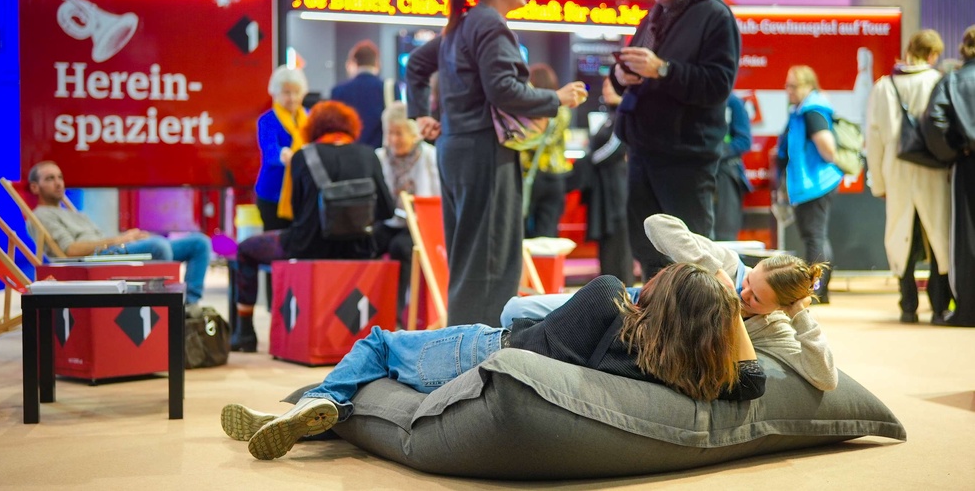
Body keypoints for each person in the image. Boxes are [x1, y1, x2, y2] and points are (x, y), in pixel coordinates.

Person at [221, 266, 765, 460]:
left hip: (484, 352)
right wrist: (727, 309)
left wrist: (711, 286)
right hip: (493, 367)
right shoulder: (686, 369)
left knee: (381, 345)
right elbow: (754, 378)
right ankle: (305, 412)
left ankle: (316, 403)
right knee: (375, 372)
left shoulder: (606, 298)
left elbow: (542, 334)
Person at [405, 0, 588, 326]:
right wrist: (557, 97)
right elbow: (503, 89)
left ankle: (463, 354)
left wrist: (422, 115)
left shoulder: (463, 24)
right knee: (489, 262)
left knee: (470, 259)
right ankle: (477, 360)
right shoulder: (488, 24)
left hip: (458, 149)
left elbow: (418, 66)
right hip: (484, 151)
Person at [502, 213, 837, 392]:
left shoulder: (775, 327)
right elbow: (656, 224)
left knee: (529, 328)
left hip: (647, 342)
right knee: (514, 310)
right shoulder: (731, 265)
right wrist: (714, 272)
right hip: (632, 303)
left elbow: (825, 378)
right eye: (748, 282)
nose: (743, 294)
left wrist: (800, 316)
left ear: (779, 308)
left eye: (756, 298)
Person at [609, 0, 740, 282]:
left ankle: (697, 331)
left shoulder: (715, 15)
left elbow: (718, 85)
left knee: (691, 254)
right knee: (647, 249)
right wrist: (622, 72)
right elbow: (629, 68)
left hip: (685, 156)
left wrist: (663, 70)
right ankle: (655, 326)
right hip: (643, 150)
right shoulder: (655, 15)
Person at [231, 101, 395, 351]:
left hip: (307, 246)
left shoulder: (302, 157)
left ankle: (244, 333)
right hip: (359, 248)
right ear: (351, 126)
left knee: (245, 249)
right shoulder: (368, 155)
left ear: (313, 128)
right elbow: (387, 209)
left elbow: (298, 212)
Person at [28, 161, 212, 305]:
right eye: (50, 178)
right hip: (94, 258)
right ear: (35, 187)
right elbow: (70, 250)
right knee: (159, 246)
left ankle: (188, 304)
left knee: (199, 243)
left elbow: (102, 238)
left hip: (111, 250)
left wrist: (130, 239)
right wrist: (120, 239)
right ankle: (165, 307)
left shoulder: (72, 213)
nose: (58, 183)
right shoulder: (41, 216)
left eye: (59, 177)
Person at [865, 29, 952, 324]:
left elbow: (873, 138)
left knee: (902, 236)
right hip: (933, 169)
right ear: (932, 54)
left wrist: (877, 181)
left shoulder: (884, 86)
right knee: (938, 235)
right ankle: (940, 306)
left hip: (896, 169)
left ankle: (907, 306)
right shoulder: (938, 80)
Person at [776, 66, 843, 304]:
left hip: (816, 184)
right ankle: (819, 290)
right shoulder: (801, 110)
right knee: (814, 236)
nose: (788, 90)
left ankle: (818, 291)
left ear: (808, 86)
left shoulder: (812, 111)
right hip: (808, 185)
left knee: (814, 236)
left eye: (793, 86)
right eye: (787, 85)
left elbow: (828, 148)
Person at [924, 24, 975, 327]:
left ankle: (968, 310)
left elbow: (935, 121)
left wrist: (954, 151)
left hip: (968, 164)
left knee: (966, 236)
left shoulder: (953, 80)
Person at [373, 101, 440, 320]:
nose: (393, 139)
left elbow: (437, 197)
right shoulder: (379, 157)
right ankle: (370, 311)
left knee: (400, 248)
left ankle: (397, 316)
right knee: (368, 242)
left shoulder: (431, 156)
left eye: (399, 133)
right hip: (389, 221)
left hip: (420, 226)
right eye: (390, 133)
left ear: (414, 134)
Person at [572, 78, 633, 285]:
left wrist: (589, 160)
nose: (606, 90)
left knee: (618, 245)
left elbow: (616, 148)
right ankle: (608, 292)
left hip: (617, 190)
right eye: (605, 86)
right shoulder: (610, 116)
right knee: (607, 244)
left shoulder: (625, 116)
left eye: (611, 86)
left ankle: (622, 297)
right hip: (603, 191)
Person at [522, 63, 573, 238]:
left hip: (531, 175)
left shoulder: (529, 113)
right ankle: (546, 266)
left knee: (522, 231)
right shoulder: (563, 111)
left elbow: (529, 142)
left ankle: (527, 266)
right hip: (556, 177)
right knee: (548, 232)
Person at [255, 66, 309, 229]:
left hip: (303, 193)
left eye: (296, 92)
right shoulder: (267, 120)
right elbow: (270, 150)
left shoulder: (310, 117)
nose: (292, 98)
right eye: (286, 93)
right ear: (276, 93)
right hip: (272, 195)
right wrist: (285, 154)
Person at [332, 40, 393, 149]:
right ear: (377, 62)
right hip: (378, 155)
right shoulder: (389, 88)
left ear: (354, 62)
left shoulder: (338, 91)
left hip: (349, 154)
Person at [713, 93, 753, 241]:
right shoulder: (694, 98)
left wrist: (715, 151)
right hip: (698, 173)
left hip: (726, 175)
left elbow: (744, 140)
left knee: (725, 236)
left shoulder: (733, 102)